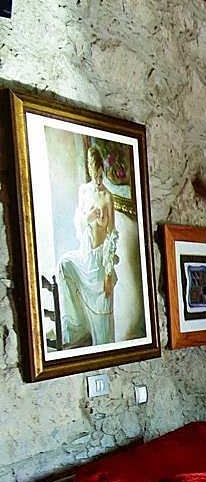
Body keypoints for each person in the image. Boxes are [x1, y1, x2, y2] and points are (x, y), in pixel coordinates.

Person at [58, 143, 119, 348]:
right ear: (90, 172)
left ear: (104, 171)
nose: (99, 181)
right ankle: (77, 329)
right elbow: (78, 223)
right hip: (86, 255)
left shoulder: (107, 196)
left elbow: (112, 236)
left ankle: (105, 349)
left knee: (103, 308)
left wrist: (109, 276)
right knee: (64, 264)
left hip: (100, 262)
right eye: (96, 177)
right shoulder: (83, 191)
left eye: (102, 176)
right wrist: (88, 216)